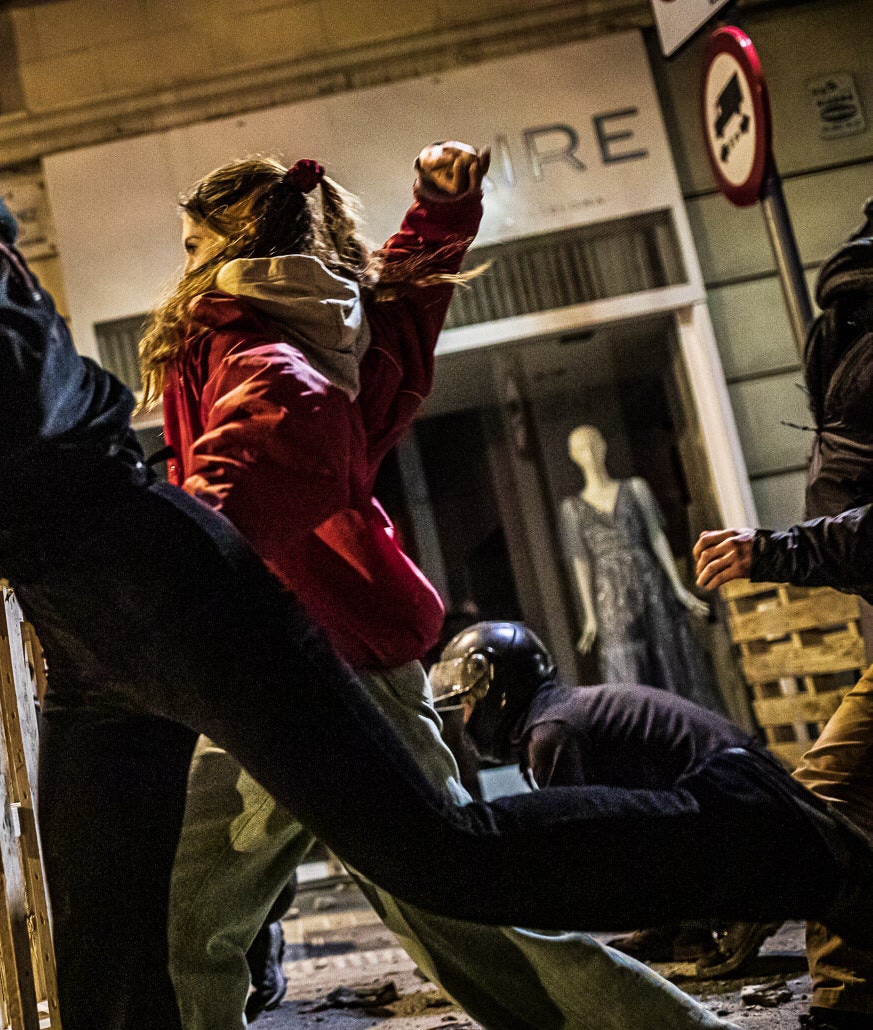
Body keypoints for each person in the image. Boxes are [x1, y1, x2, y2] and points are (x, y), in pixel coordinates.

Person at [0, 37, 873, 1028]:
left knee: (441, 855)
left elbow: (14, 388)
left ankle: (768, 836)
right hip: (92, 644)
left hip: (182, 598)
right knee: (108, 958)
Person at [155, 151, 732, 1029]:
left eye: (194, 241)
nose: (184, 259)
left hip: (295, 659)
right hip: (311, 655)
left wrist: (159, 568)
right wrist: (440, 208)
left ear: (232, 242)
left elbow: (250, 461)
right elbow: (414, 304)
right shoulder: (331, 319)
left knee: (197, 920)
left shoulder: (254, 340)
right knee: (438, 901)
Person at [695, 198, 873, 1030]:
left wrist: (775, 552)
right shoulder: (847, 320)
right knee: (829, 814)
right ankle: (845, 1001)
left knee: (823, 810)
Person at [432, 620, 782, 976]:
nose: (465, 716)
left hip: (745, 805)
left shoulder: (553, 732)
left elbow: (573, 845)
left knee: (592, 841)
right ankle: (678, 922)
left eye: (467, 702)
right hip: (743, 792)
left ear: (498, 688)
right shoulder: (557, 716)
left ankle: (749, 905)